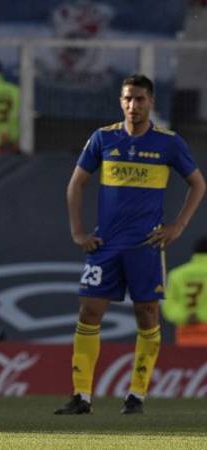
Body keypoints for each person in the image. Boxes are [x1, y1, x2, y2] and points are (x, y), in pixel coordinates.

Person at [55, 74, 206, 416]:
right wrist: (79, 232)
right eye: (127, 99)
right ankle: (82, 396)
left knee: (147, 314)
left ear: (151, 102)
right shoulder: (103, 138)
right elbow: (76, 184)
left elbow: (197, 184)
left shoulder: (168, 143)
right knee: (89, 312)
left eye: (139, 99)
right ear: (120, 101)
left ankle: (136, 395)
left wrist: (178, 225)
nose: (132, 106)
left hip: (146, 245)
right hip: (105, 245)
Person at [163, 237, 207, 346]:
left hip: (185, 332)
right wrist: (202, 316)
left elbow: (168, 305)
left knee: (188, 362)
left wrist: (186, 316)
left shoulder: (177, 274)